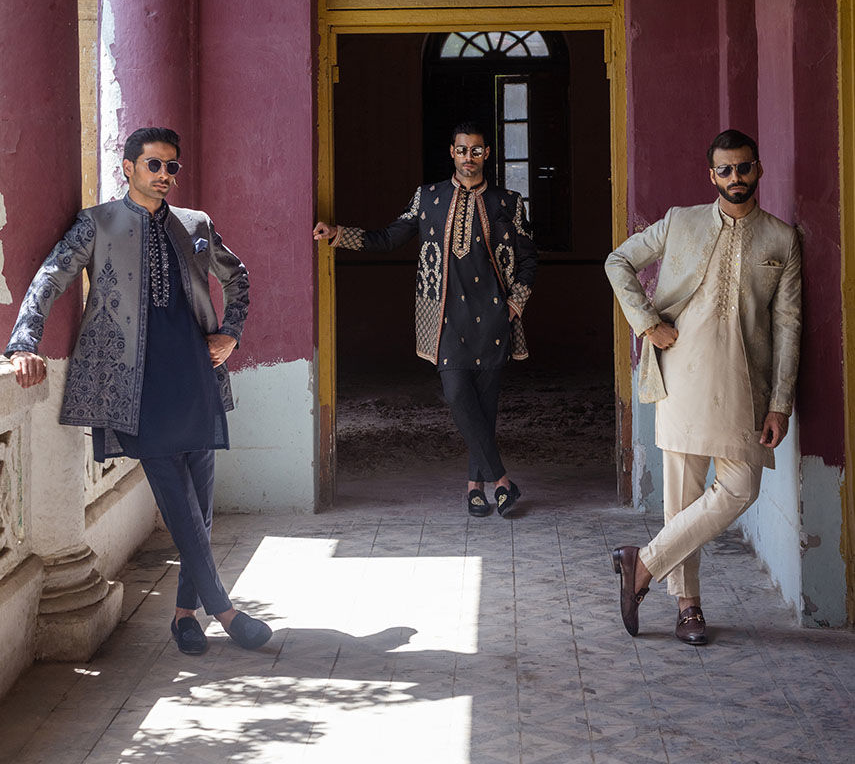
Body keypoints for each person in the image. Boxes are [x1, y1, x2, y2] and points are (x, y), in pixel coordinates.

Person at [5, 127, 272, 657]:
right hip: (135, 386)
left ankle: (184, 616)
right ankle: (225, 612)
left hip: (195, 377)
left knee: (200, 505)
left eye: (173, 166)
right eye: (155, 165)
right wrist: (22, 343)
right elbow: (51, 277)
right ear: (128, 167)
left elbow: (238, 277)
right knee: (178, 502)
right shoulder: (98, 222)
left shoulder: (195, 224)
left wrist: (231, 333)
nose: (165, 175)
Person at [605, 128, 801, 645]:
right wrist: (646, 323)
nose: (736, 177)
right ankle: (687, 606)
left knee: (741, 488)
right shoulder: (680, 221)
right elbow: (617, 261)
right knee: (683, 494)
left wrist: (780, 403)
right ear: (711, 175)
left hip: (743, 381)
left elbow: (787, 325)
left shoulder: (780, 239)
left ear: (758, 169)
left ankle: (642, 562)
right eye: (725, 169)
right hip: (681, 374)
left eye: (744, 167)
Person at [313, 121, 537, 517]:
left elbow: (529, 259)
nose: (469, 157)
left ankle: (475, 488)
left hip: (493, 319)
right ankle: (502, 480)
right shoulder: (428, 198)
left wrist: (515, 304)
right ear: (452, 152)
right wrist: (337, 234)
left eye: (477, 150)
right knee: (457, 395)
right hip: (446, 318)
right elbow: (389, 237)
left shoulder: (508, 202)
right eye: (462, 149)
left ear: (486, 154)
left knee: (484, 407)